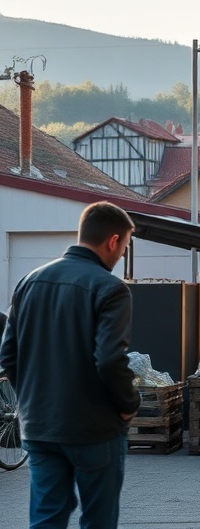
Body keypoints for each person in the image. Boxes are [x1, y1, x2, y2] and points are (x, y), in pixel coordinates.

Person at [0, 201, 140, 528]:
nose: (121, 255)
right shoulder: (111, 289)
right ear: (113, 241)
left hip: (40, 428)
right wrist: (127, 405)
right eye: (125, 246)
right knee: (97, 521)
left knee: (47, 518)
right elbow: (108, 359)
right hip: (94, 428)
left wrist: (33, 401)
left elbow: (8, 356)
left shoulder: (28, 283)